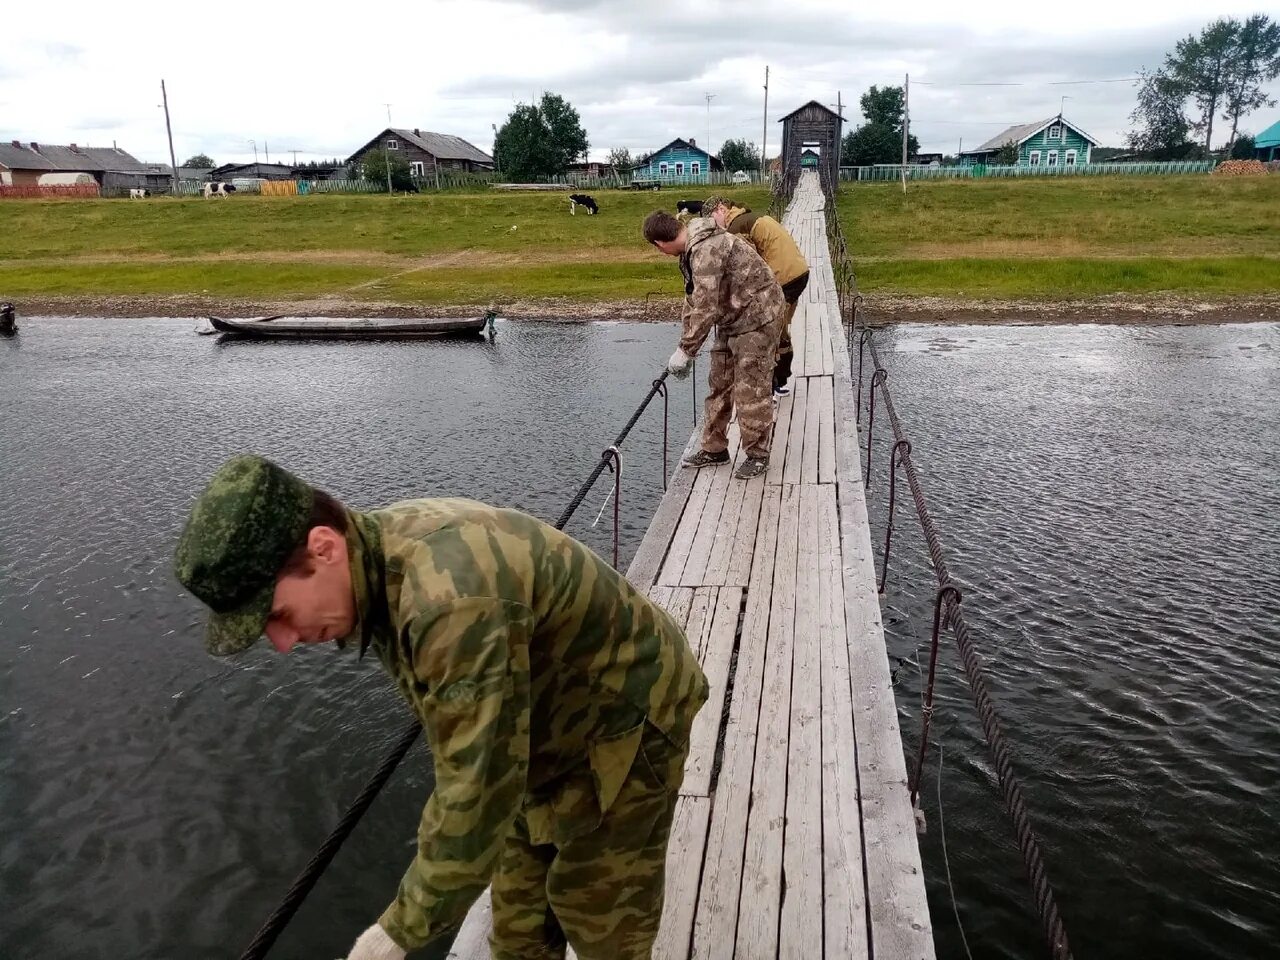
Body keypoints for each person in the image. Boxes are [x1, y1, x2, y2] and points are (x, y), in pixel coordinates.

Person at [173, 454, 708, 960]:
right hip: (535, 729)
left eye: (280, 615)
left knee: (599, 916)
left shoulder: (447, 601)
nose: (285, 643)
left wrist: (397, 933)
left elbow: (477, 789)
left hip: (627, 718)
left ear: (323, 548)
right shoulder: (376, 563)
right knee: (520, 924)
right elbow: (467, 760)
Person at [642, 210, 784, 481]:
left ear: (660, 245)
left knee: (750, 388)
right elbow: (693, 301)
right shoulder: (691, 248)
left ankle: (757, 455)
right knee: (719, 382)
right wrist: (685, 345)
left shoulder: (705, 250)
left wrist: (686, 350)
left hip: (758, 317)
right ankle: (714, 449)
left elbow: (705, 308)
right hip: (732, 316)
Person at [702, 196, 809, 396]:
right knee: (781, 329)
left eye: (711, 218)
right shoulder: (749, 217)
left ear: (721, 209)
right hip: (799, 273)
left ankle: (769, 386)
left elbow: (743, 264)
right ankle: (780, 380)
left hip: (783, 280)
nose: (712, 225)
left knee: (768, 332)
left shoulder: (735, 228)